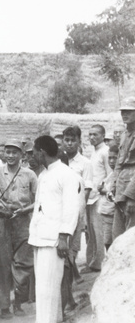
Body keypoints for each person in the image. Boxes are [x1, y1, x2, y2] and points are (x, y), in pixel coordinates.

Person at [24, 136, 80, 323]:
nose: (32, 156)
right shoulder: (44, 175)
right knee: (45, 282)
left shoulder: (67, 175)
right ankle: (54, 319)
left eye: (34, 152)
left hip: (55, 238)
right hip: (40, 235)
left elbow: (71, 208)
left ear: (42, 152)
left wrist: (64, 236)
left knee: (47, 285)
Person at [0, 140, 37, 318]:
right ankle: (3, 306)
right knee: (1, 264)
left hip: (23, 221)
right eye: (7, 152)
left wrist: (25, 210)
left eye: (14, 152)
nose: (10, 155)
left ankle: (18, 303)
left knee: (24, 264)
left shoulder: (30, 175)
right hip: (2, 222)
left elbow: (38, 199)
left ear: (22, 155)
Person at [62, 126, 91, 312]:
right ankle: (68, 296)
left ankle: (70, 295)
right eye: (66, 139)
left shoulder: (85, 163)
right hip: (62, 215)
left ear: (79, 141)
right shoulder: (60, 159)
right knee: (64, 256)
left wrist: (81, 216)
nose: (69, 143)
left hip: (76, 215)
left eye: (73, 140)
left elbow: (86, 191)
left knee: (71, 253)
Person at [85, 125, 111, 273]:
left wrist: (103, 187)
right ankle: (93, 262)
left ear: (103, 135)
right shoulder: (94, 152)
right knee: (91, 233)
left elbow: (110, 172)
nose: (92, 137)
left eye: (95, 134)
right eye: (90, 135)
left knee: (99, 232)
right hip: (91, 197)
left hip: (100, 197)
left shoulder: (105, 152)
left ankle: (100, 263)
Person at [112, 97, 135, 240]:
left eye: (129, 111)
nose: (124, 115)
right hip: (121, 189)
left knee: (131, 236)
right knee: (118, 235)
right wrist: (113, 184)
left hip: (131, 189)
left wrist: (132, 197)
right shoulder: (124, 135)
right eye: (123, 112)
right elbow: (119, 163)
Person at [98, 144, 118, 250]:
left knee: (110, 243)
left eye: (115, 158)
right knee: (106, 242)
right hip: (105, 213)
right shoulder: (111, 174)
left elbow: (114, 195)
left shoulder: (118, 174)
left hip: (112, 214)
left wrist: (104, 191)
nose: (111, 161)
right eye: (110, 158)